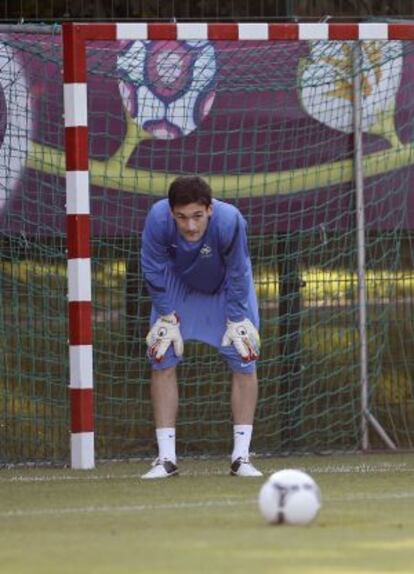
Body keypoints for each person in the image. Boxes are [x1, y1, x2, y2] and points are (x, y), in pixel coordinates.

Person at [140, 175, 262, 479]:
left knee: (244, 359)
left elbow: (239, 271)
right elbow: (153, 267)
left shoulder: (230, 221)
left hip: (225, 288)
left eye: (196, 216)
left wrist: (236, 318)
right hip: (177, 286)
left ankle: (241, 457)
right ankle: (166, 459)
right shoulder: (157, 219)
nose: (190, 226)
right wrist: (167, 317)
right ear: (171, 213)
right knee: (161, 357)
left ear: (209, 209)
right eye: (181, 217)